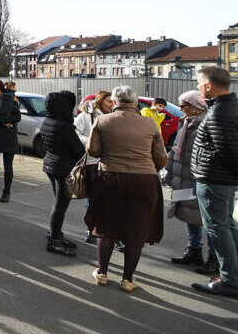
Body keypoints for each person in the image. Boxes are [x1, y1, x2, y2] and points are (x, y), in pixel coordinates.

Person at [84, 85, 166, 294]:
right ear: (135, 102)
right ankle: (128, 279)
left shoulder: (102, 121)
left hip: (111, 177)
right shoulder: (149, 123)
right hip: (144, 180)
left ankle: (102, 273)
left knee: (105, 227)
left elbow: (93, 150)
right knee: (136, 229)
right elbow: (161, 158)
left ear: (115, 101)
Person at [191, 66, 238, 298]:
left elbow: (228, 150)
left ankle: (230, 279)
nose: (198, 87)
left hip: (215, 181)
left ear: (209, 86)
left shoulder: (220, 112)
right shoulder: (226, 107)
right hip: (221, 180)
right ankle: (232, 274)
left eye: (199, 83)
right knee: (226, 226)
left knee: (218, 228)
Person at [165, 91, 215, 273]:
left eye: (183, 106)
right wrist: (169, 171)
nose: (180, 109)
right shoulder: (185, 122)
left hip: (198, 180)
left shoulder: (206, 124)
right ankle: (193, 251)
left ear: (196, 106)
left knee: (208, 220)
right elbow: (174, 150)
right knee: (188, 214)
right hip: (183, 179)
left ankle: (214, 258)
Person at [39, 91, 84, 256]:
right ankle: (54, 241)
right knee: (60, 207)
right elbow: (78, 151)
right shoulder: (64, 126)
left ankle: (56, 234)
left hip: (51, 165)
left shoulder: (47, 120)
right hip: (63, 168)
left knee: (58, 204)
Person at [75, 90, 113, 244]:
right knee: (92, 198)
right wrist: (92, 142)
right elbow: (75, 133)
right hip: (92, 162)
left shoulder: (113, 117)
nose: (112, 104)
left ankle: (108, 231)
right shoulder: (86, 116)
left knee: (109, 199)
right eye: (109, 101)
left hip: (109, 163)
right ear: (100, 101)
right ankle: (90, 229)